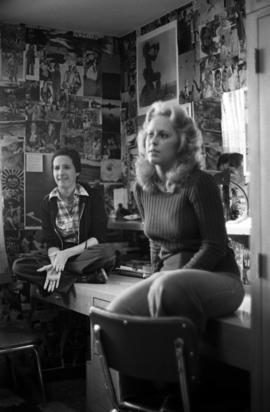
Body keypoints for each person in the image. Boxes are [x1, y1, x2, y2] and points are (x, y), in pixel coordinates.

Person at [107, 101, 245, 408]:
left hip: (219, 278)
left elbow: (215, 246)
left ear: (182, 142)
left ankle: (177, 397)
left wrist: (167, 280)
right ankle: (140, 399)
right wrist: (156, 277)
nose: (152, 141)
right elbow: (157, 243)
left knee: (167, 286)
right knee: (115, 314)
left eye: (163, 135)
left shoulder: (200, 182)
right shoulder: (142, 188)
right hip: (170, 281)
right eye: (150, 135)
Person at [13, 147, 115, 294]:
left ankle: (64, 277)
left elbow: (98, 237)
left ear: (77, 171)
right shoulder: (47, 202)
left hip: (82, 254)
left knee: (108, 253)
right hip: (59, 258)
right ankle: (82, 277)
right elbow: (51, 242)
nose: (60, 173)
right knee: (19, 266)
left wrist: (65, 255)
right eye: (56, 168)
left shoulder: (93, 196)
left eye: (66, 167)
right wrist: (55, 263)